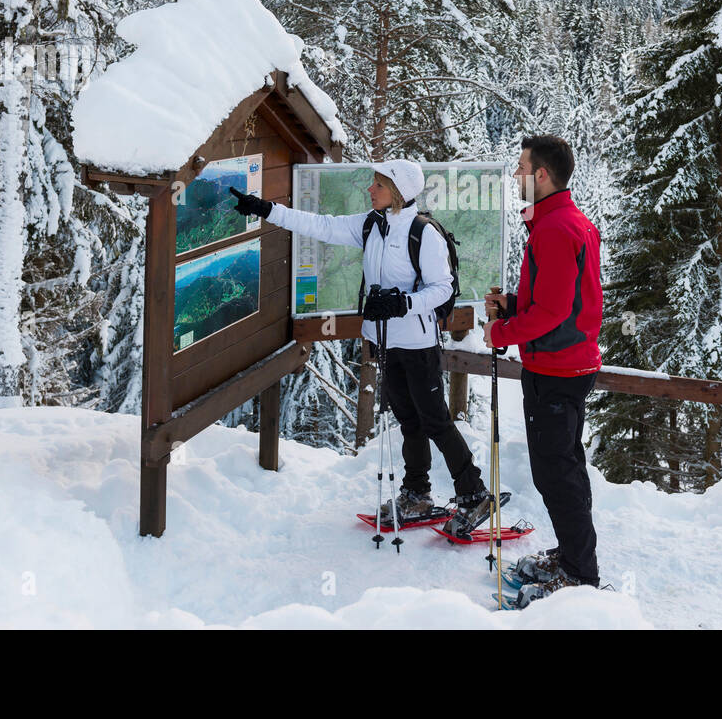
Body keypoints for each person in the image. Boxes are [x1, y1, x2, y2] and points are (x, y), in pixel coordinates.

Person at [229, 159, 494, 528]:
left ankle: (475, 493)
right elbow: (320, 225)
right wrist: (265, 209)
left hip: (418, 343)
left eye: (378, 185)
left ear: (398, 193)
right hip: (387, 342)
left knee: (434, 419)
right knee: (408, 419)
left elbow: (443, 288)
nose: (371, 190)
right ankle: (417, 492)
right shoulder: (372, 225)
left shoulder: (423, 233)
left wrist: (404, 303)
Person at [483, 135, 603, 607]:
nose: (516, 176)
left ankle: (579, 575)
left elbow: (553, 310)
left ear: (542, 176)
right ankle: (575, 559)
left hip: (556, 369)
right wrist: (514, 306)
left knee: (556, 474)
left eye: (521, 168)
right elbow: (567, 302)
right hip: (568, 364)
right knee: (565, 469)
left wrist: (501, 331)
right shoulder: (565, 222)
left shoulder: (554, 229)